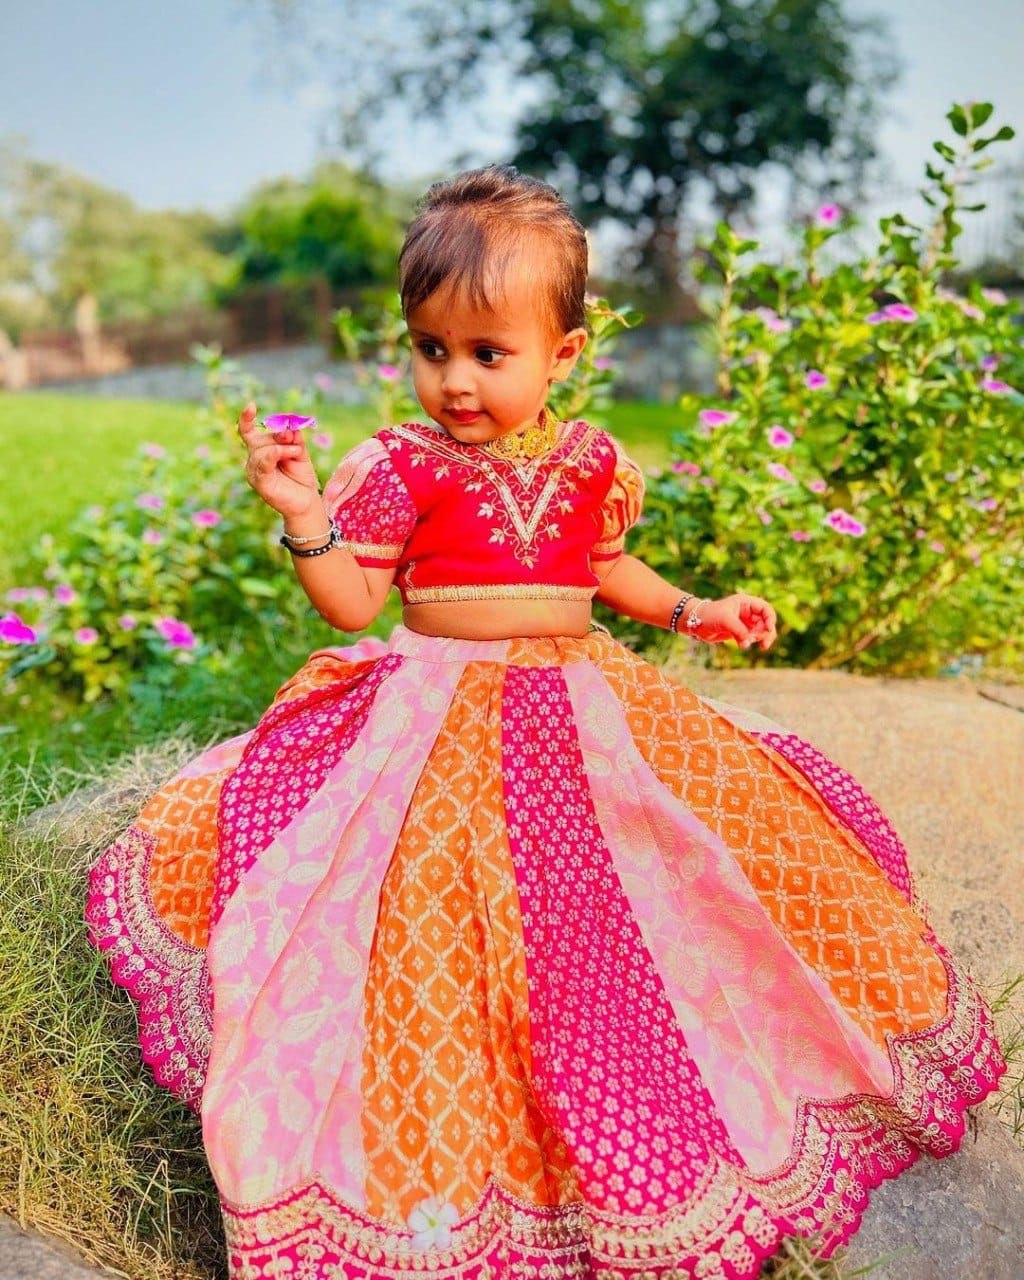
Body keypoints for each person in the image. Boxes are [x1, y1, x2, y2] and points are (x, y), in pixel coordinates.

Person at [86, 164, 1007, 1280]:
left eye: (488, 353)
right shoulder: (398, 463)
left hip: (583, 705)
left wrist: (696, 610)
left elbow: (605, 569)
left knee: (671, 873)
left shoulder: (592, 462)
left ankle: (694, 1078)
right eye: (431, 348)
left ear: (562, 353)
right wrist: (303, 515)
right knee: (431, 909)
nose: (454, 380)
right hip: (436, 713)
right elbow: (353, 604)